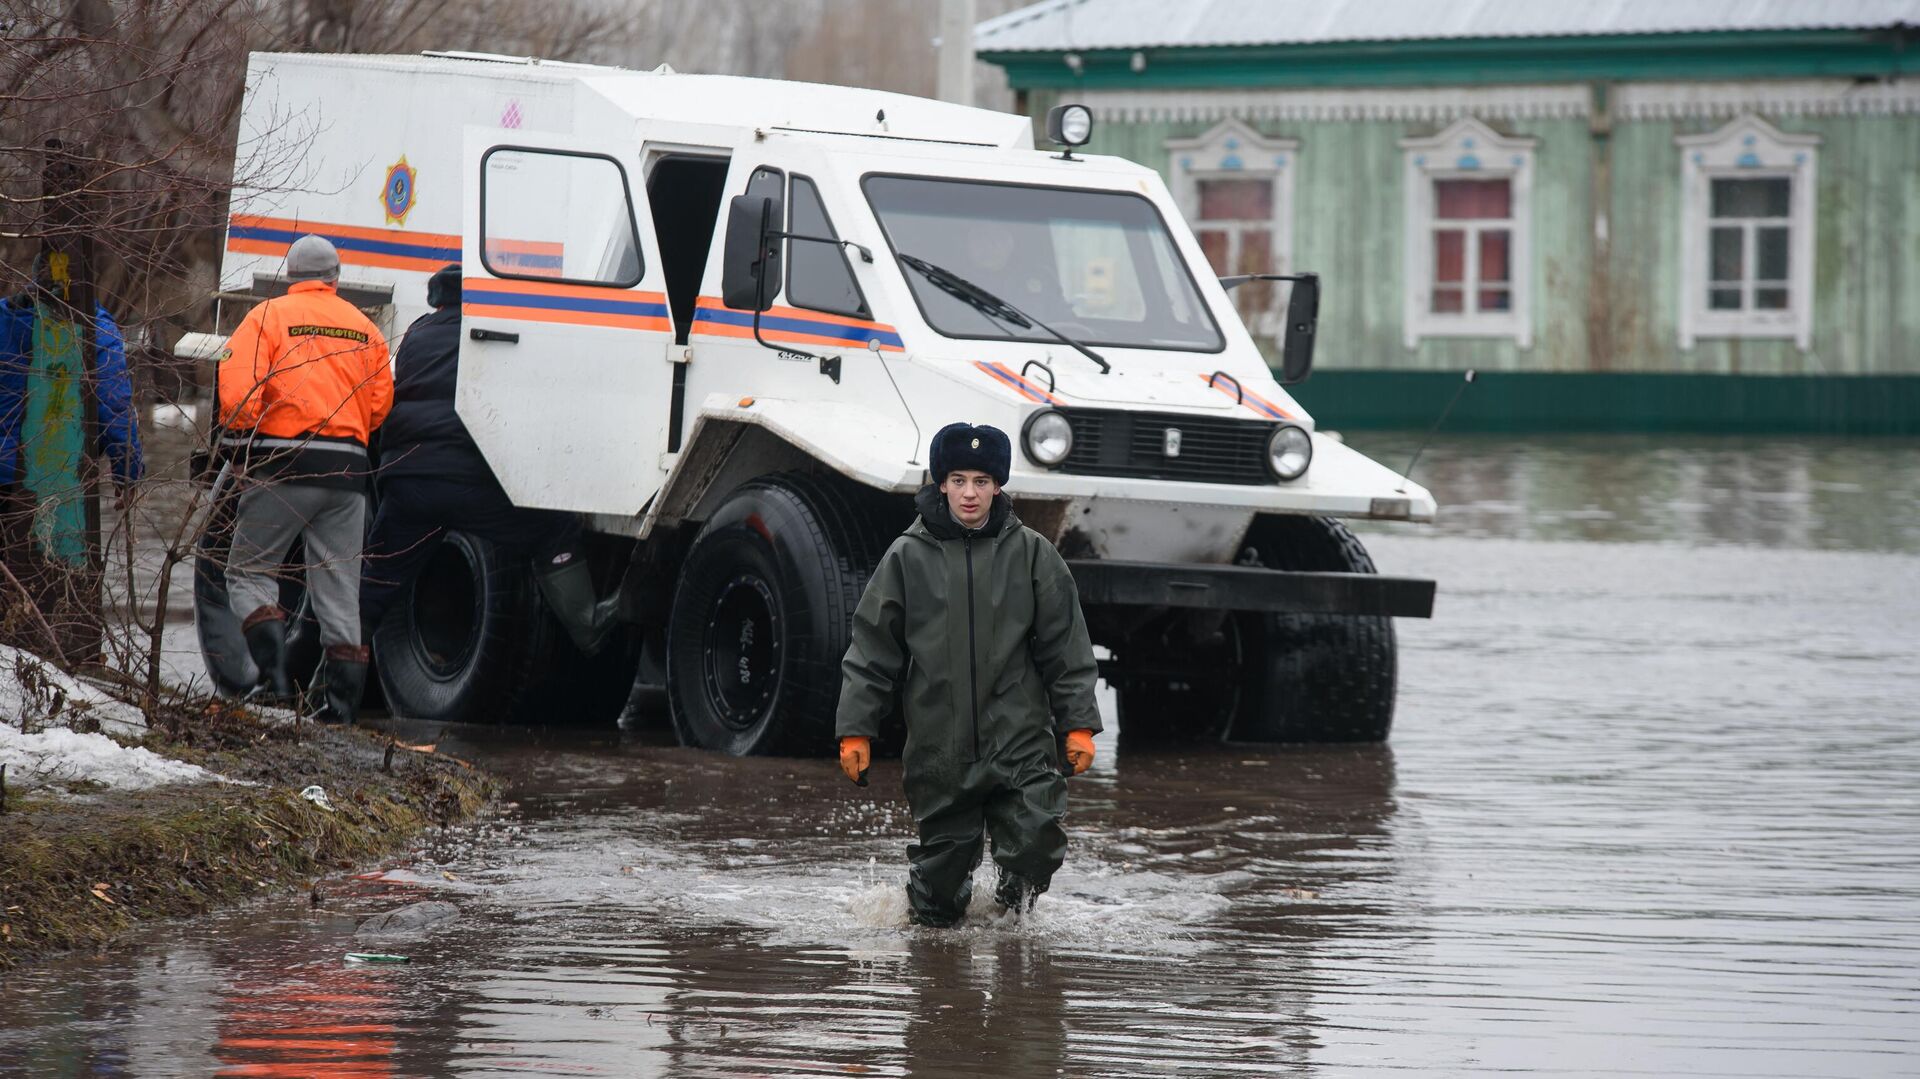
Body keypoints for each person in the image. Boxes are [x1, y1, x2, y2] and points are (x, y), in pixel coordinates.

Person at [836, 422, 1101, 927]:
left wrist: (1079, 724)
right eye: (958, 480)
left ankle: (1010, 921)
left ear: (998, 485)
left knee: (1037, 843)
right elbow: (872, 650)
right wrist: (855, 729)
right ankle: (938, 971)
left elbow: (1066, 646)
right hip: (941, 748)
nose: (970, 493)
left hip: (1019, 739)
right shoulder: (905, 557)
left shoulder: (1032, 555)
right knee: (939, 899)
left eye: (981, 480)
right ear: (941, 484)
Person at [358, 263, 622, 658]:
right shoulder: (496, 336)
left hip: (409, 481)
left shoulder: (415, 335)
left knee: (375, 583)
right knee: (554, 529)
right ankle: (588, 628)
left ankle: (329, 684)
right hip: (471, 481)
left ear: (437, 300)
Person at [217, 234, 391, 723]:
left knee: (249, 573)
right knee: (339, 591)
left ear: (290, 275)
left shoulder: (266, 318)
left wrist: (244, 439)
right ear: (336, 278)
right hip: (348, 471)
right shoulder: (366, 329)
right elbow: (379, 406)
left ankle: (274, 687)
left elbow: (238, 391)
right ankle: (339, 710)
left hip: (282, 464)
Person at [0, 256, 144, 659]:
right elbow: (115, 406)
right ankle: (44, 659)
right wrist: (128, 473)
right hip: (51, 481)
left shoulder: (4, 319)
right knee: (44, 579)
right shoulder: (95, 329)